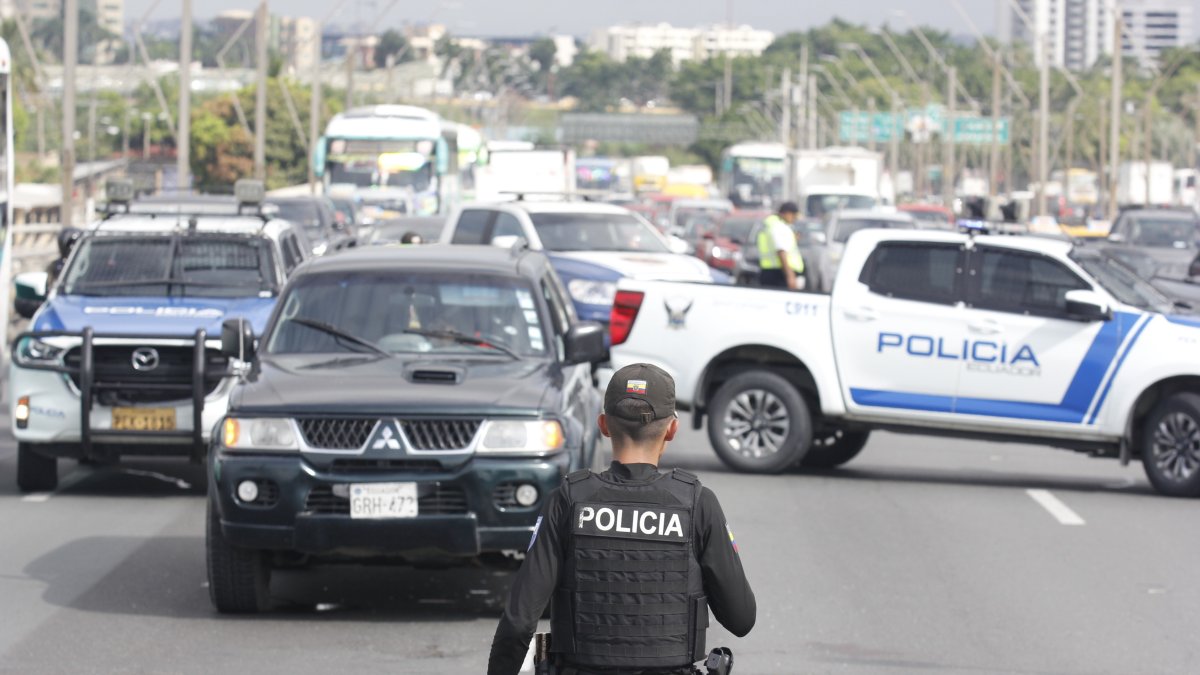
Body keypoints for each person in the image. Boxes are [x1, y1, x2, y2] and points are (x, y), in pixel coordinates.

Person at [488, 364, 756, 675]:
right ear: (671, 429)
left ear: (603, 424)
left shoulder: (567, 500)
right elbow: (741, 619)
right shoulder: (698, 504)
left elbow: (519, 621)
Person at [757, 202, 805, 290]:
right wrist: (790, 276)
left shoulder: (771, 224)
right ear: (787, 213)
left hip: (771, 272)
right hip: (779, 274)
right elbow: (781, 251)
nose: (794, 219)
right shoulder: (779, 227)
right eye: (793, 216)